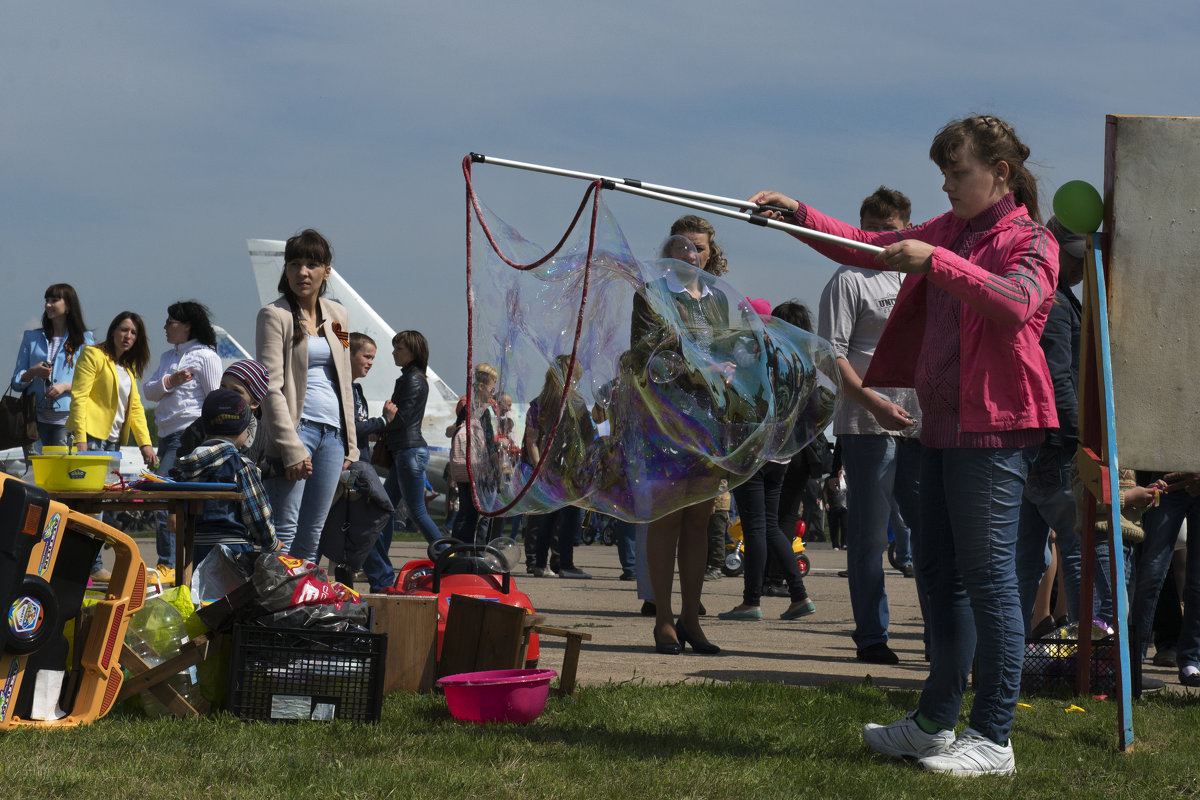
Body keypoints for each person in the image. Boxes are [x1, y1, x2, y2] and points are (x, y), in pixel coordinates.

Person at [751, 114, 1059, 776]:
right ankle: (933, 723)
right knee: (941, 576)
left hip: (996, 430)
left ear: (999, 173)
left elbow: (1016, 303)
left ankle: (994, 738)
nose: (946, 186)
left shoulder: (1030, 239)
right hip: (938, 428)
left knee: (990, 580)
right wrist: (795, 213)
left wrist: (940, 264)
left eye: (957, 171)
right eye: (943, 173)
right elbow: (867, 246)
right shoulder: (950, 231)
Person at [814, 186, 924, 666]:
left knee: (927, 533)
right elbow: (830, 353)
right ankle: (872, 636)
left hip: (920, 422)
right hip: (867, 424)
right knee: (870, 537)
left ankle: (940, 636)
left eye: (889, 231)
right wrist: (872, 402)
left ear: (906, 229)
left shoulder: (919, 278)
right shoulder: (848, 279)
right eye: (871, 230)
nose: (879, 240)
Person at [631, 215, 732, 656]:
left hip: (708, 418)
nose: (693, 254)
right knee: (667, 517)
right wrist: (697, 368)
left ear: (712, 253)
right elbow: (644, 355)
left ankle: (692, 617)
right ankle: (663, 619)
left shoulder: (716, 301)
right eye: (684, 246)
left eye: (701, 248)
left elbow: (727, 348)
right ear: (669, 251)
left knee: (700, 518)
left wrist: (730, 368)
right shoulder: (652, 295)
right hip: (666, 416)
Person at [256, 228, 358, 561]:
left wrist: (351, 443)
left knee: (313, 536)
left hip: (333, 435)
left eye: (312, 264)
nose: (303, 272)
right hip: (297, 430)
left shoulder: (338, 316)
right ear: (286, 270)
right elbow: (270, 386)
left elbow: (345, 376)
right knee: (284, 531)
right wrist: (289, 446)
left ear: (326, 271)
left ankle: (303, 606)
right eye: (295, 264)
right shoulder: (276, 315)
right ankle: (277, 607)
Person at [718, 300, 817, 623]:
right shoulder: (804, 363)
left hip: (756, 451)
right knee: (772, 526)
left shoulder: (767, 358)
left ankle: (751, 601)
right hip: (783, 455)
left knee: (755, 527)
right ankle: (799, 595)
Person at [1014, 217, 1086, 634]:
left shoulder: (1048, 297)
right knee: (1076, 550)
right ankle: (1092, 658)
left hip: (1034, 440)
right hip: (1058, 443)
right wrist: (1080, 437)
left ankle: (1004, 656)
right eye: (1075, 258)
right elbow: (1058, 377)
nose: (1080, 268)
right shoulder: (1056, 303)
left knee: (1022, 558)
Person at [67, 311, 159, 580]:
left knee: (101, 504)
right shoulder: (93, 355)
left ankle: (88, 565)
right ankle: (90, 567)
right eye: (123, 329)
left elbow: (137, 409)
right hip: (92, 438)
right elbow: (79, 396)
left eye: (133, 332)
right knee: (90, 505)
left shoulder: (128, 369)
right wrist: (80, 437)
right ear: (112, 330)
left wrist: (146, 444)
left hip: (113, 442)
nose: (127, 336)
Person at [142, 300, 223, 583]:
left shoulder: (205, 356)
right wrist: (171, 381)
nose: (165, 326)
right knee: (175, 500)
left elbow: (214, 398)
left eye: (170, 322)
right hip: (165, 435)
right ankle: (179, 563)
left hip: (188, 434)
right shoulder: (167, 357)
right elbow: (149, 392)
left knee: (164, 493)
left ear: (187, 326)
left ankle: (168, 563)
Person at [170, 389, 283, 563]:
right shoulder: (241, 465)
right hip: (234, 554)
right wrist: (271, 543)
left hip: (195, 550)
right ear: (242, 430)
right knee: (234, 591)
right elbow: (257, 512)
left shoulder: (185, 466)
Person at [523, 355, 593, 579]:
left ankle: (540, 564)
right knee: (570, 517)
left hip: (547, 469)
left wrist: (539, 467)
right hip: (571, 468)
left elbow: (530, 440)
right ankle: (566, 564)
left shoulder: (538, 403)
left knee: (547, 516)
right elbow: (589, 437)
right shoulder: (577, 403)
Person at [10, 283, 93, 450]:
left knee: (59, 472)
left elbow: (91, 384)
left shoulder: (84, 340)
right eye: (46, 300)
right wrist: (32, 372)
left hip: (67, 420)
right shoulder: (31, 337)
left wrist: (65, 386)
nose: (48, 304)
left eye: (54, 300)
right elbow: (16, 383)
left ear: (68, 306)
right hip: (33, 421)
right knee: (34, 472)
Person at [378, 330, 442, 544]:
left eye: (399, 348)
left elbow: (402, 418)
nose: (394, 352)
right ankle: (379, 565)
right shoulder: (411, 377)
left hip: (409, 451)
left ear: (413, 351)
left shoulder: (413, 380)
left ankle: (446, 556)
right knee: (384, 510)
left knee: (416, 512)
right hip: (405, 452)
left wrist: (383, 421)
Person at [177, 358, 271, 464]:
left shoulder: (260, 432)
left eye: (236, 391)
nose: (227, 394)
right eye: (223, 386)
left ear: (254, 403)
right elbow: (182, 461)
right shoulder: (202, 425)